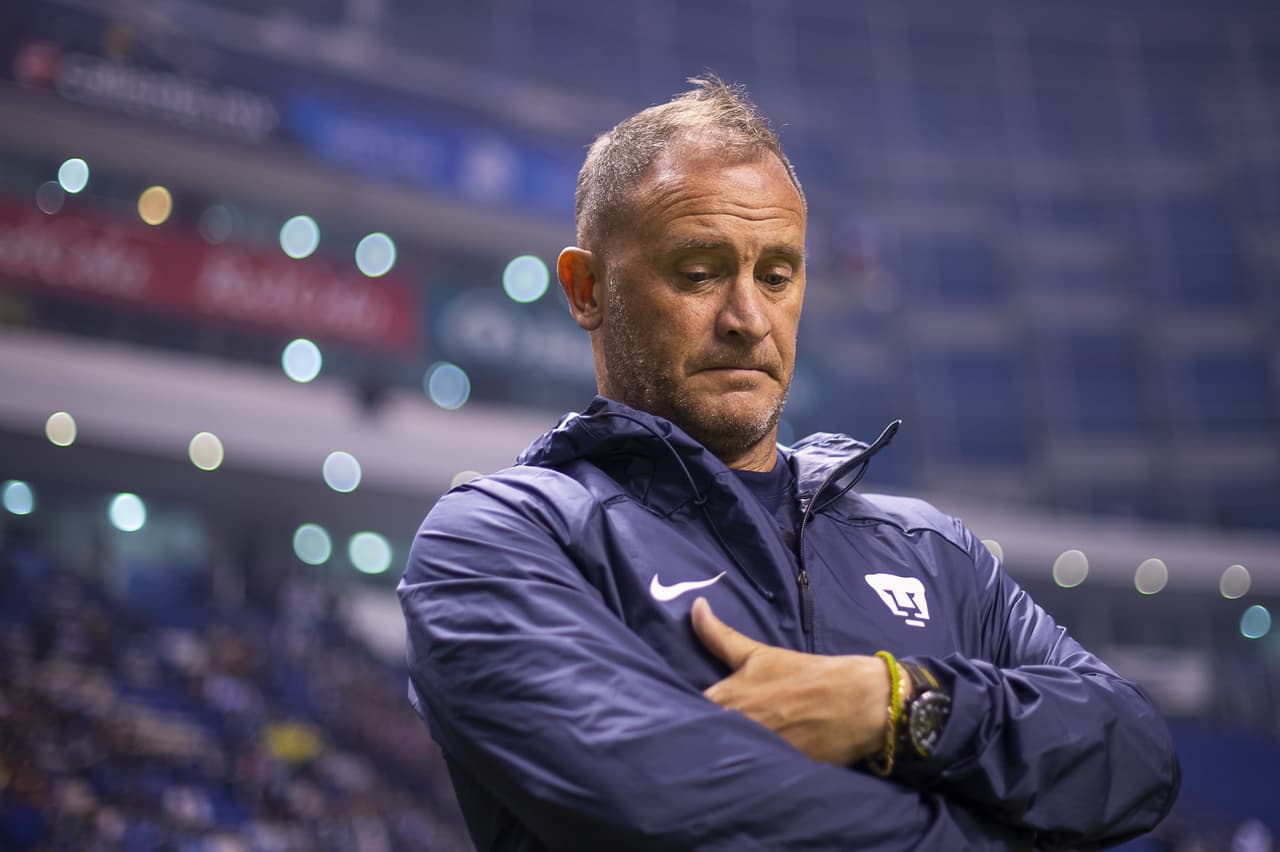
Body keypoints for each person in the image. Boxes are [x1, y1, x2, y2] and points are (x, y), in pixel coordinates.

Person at [397, 77, 1179, 851]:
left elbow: (1137, 754)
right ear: (587, 289)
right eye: (698, 274)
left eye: (776, 276)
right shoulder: (501, 541)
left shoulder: (933, 551)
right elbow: (673, 811)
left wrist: (898, 704)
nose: (748, 318)